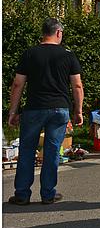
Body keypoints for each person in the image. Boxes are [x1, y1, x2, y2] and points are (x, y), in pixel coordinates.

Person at [7, 18, 83, 205]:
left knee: (26, 150)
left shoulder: (29, 54)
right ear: (58, 33)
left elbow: (18, 84)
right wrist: (78, 111)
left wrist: (13, 112)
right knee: (52, 151)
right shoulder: (68, 55)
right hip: (59, 109)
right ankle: (48, 194)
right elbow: (77, 85)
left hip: (34, 108)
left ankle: (22, 194)